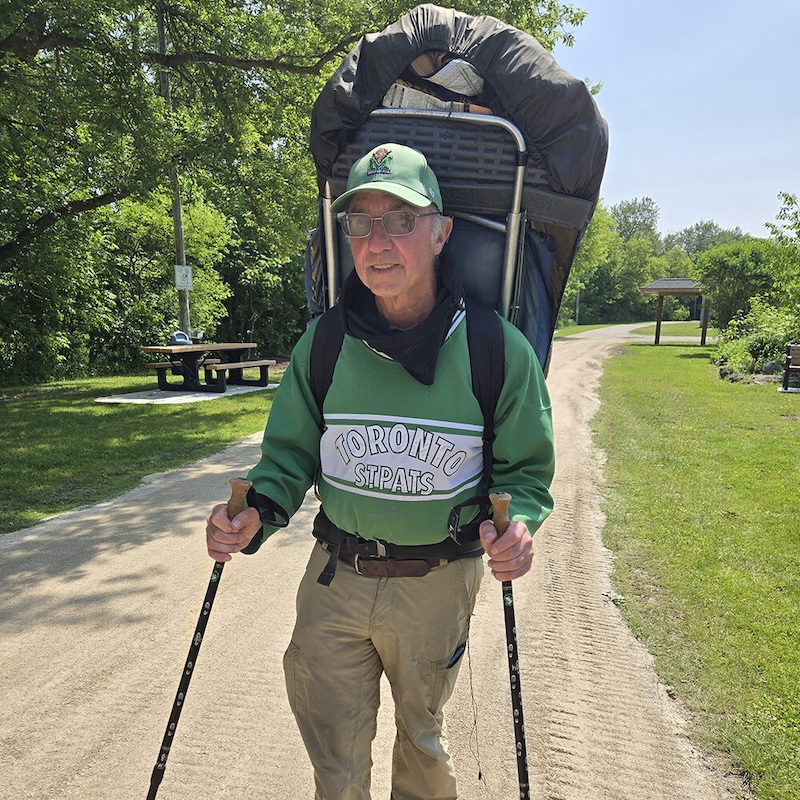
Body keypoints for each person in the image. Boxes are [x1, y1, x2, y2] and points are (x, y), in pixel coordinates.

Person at [206, 143, 555, 800]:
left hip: (438, 583)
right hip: (335, 579)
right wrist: (251, 515)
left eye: (401, 219)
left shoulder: (492, 348)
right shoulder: (327, 342)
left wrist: (519, 526)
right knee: (333, 757)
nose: (378, 241)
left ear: (442, 232)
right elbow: (285, 460)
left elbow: (526, 477)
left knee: (421, 744)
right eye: (360, 221)